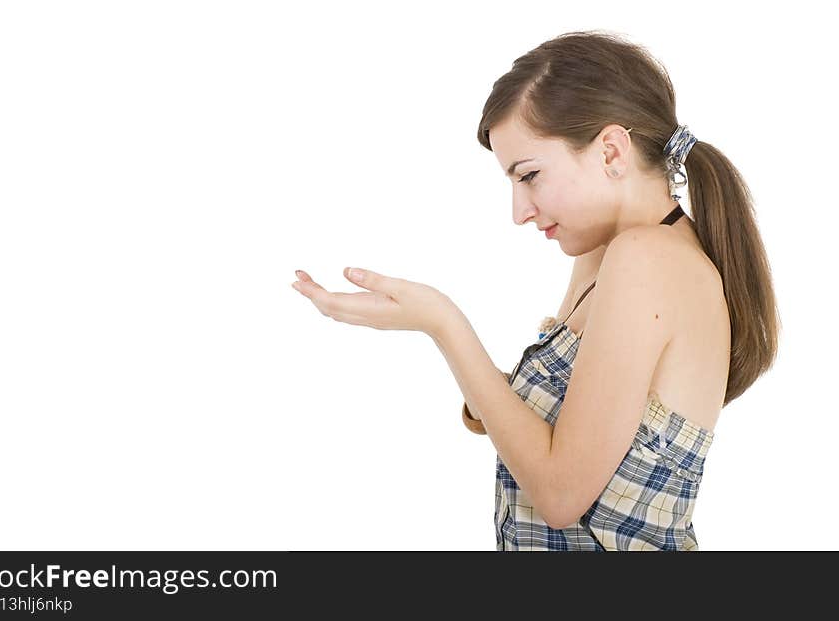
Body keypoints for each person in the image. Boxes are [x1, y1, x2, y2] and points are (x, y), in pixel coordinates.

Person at [291, 29, 780, 550]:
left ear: (612, 151)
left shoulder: (648, 260)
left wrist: (443, 323)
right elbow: (558, 427)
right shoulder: (608, 252)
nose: (519, 212)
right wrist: (418, 325)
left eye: (529, 176)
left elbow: (560, 493)